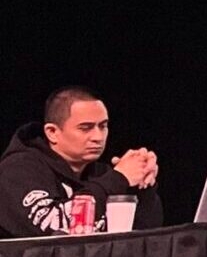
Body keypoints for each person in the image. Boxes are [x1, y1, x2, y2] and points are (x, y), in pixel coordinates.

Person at [0, 87, 164, 237]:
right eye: (85, 128)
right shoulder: (18, 170)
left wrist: (141, 185)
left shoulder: (100, 173)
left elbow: (146, 233)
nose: (98, 137)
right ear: (52, 133)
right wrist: (118, 178)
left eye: (103, 126)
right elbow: (57, 229)